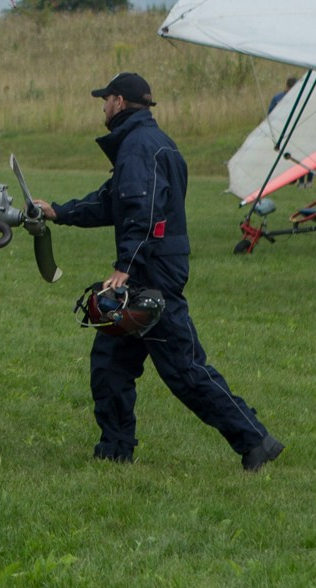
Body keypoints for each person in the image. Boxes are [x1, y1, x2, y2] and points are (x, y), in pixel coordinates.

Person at [32, 72, 283, 470]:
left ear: (118, 101)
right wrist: (60, 212)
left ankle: (255, 440)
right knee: (110, 363)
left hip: (151, 274)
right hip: (153, 266)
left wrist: (125, 267)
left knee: (184, 369)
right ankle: (115, 450)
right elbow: (113, 201)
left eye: (105, 99)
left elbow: (142, 210)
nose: (102, 106)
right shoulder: (148, 143)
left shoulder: (138, 148)